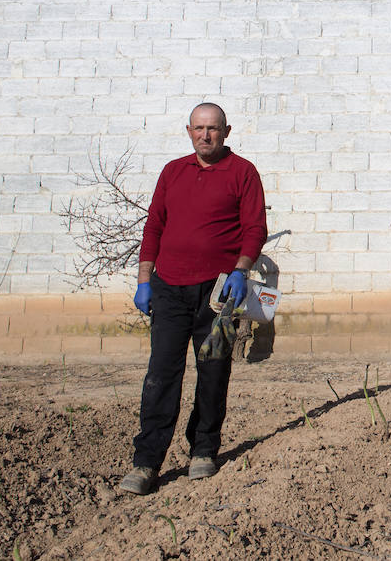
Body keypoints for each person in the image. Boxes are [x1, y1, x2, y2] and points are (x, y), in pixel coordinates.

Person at [119, 103, 267, 495]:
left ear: (227, 131)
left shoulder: (243, 173)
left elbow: (255, 228)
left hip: (217, 294)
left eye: (213, 129)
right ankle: (147, 461)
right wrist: (144, 279)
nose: (206, 135)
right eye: (199, 128)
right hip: (168, 289)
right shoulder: (173, 171)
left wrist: (241, 269)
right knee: (162, 374)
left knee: (213, 370)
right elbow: (154, 225)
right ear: (189, 131)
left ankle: (203, 449)